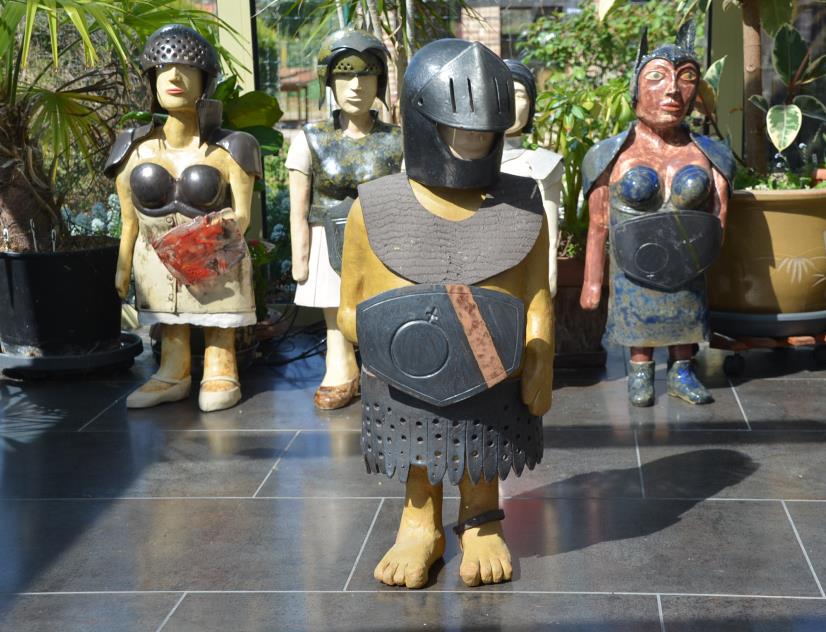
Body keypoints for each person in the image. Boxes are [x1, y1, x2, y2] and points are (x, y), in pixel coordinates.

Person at [338, 39, 554, 588]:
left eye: (483, 132)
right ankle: (420, 523)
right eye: (459, 129)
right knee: (418, 446)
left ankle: (481, 520)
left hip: (494, 364)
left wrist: (540, 357)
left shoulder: (523, 204)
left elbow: (537, 296)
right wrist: (390, 337)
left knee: (482, 440)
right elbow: (350, 306)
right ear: (423, 121)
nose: (473, 141)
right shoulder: (374, 207)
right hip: (405, 368)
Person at [105, 25, 261, 412]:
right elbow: (129, 220)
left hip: (215, 260)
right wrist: (122, 266)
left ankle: (221, 367)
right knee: (170, 323)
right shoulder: (133, 149)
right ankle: (172, 372)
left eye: (187, 68)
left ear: (205, 80)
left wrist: (202, 247)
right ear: (151, 78)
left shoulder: (233, 148)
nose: (174, 76)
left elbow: (243, 215)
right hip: (155, 260)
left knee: (219, 323)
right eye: (164, 68)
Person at [580, 23, 734, 407]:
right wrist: (592, 283)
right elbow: (598, 223)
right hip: (632, 269)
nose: (673, 90)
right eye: (657, 77)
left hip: (689, 269)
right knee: (639, 323)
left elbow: (719, 221)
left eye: (687, 78)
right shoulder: (610, 155)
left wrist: (715, 269)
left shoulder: (712, 155)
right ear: (636, 88)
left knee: (685, 319)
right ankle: (640, 373)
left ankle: (682, 372)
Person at [286, 29, 402, 410]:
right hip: (328, 238)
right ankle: (339, 362)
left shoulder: (398, 140)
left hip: (384, 239)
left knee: (380, 305)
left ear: (380, 81)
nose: (356, 85)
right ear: (329, 80)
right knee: (335, 310)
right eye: (345, 73)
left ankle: (382, 363)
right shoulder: (310, 139)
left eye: (366, 73)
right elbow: (298, 206)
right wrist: (301, 259)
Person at [501, 59, 563, 297]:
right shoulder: (464, 162)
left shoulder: (542, 164)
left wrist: (548, 285)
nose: (510, 103)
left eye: (519, 95)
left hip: (525, 283)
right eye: (502, 92)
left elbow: (550, 239)